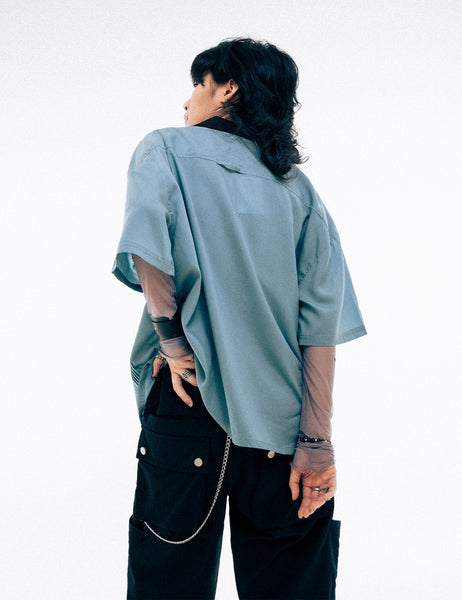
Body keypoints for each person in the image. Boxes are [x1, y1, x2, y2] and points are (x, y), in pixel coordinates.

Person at [112, 37, 367, 600]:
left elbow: (147, 248)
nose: (187, 102)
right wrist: (317, 441)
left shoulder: (165, 148)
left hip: (190, 404)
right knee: (293, 586)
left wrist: (171, 341)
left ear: (227, 89)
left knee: (167, 582)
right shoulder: (298, 189)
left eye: (197, 85)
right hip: (285, 426)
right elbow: (320, 329)